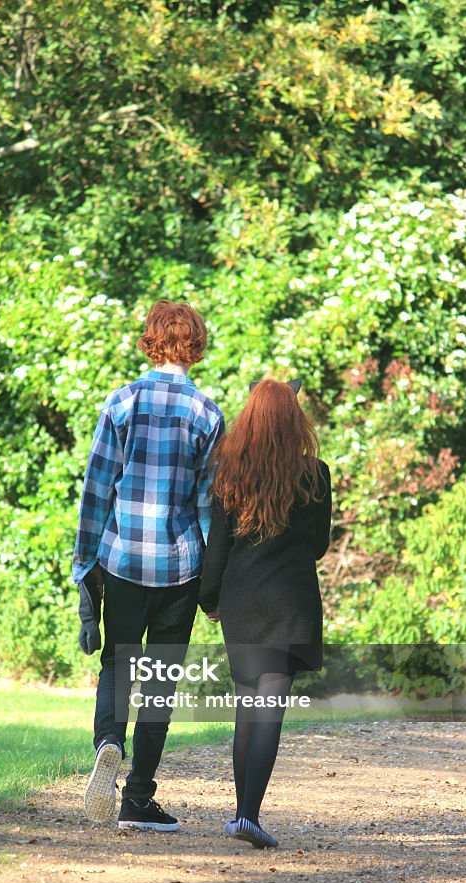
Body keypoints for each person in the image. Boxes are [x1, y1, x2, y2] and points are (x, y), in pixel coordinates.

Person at [73, 300, 225, 831]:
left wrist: (83, 561)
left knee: (117, 664)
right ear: (196, 345)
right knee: (160, 679)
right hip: (180, 565)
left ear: (151, 341)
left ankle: (109, 743)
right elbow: (210, 506)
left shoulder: (122, 402)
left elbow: (97, 490)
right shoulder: (208, 414)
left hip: (122, 558)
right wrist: (215, 582)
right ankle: (138, 797)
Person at [198, 379, 332, 849]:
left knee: (247, 707)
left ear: (250, 419)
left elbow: (216, 549)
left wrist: (208, 600)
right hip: (290, 605)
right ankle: (247, 816)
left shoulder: (228, 473)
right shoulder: (314, 474)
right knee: (269, 709)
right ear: (295, 422)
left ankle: (242, 813)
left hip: (241, 604)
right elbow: (318, 547)